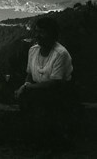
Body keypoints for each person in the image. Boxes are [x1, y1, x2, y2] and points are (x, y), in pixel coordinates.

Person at [15, 17, 75, 148]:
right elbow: (29, 75)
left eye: (42, 32)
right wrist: (25, 85)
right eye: (36, 31)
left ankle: (47, 142)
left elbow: (54, 83)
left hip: (58, 93)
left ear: (52, 34)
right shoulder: (33, 50)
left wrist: (27, 88)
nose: (37, 35)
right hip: (37, 91)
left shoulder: (60, 53)